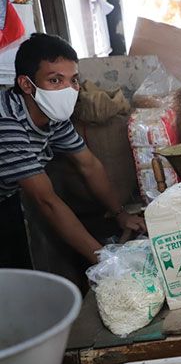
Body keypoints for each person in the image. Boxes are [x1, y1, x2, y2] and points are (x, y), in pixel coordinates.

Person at [0, 33, 146, 270]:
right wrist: (106, 263)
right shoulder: (7, 124)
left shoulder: (52, 113)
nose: (68, 90)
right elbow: (46, 202)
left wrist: (119, 213)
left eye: (73, 80)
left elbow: (88, 165)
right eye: (55, 80)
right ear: (27, 84)